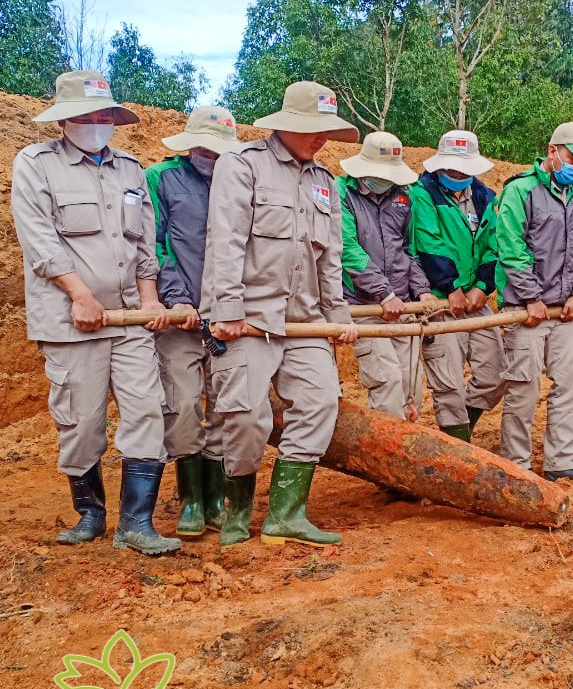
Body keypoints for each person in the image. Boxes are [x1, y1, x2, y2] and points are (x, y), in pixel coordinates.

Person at [10, 70, 181, 555]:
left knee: (147, 409)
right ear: (64, 120)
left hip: (128, 316)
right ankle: (90, 514)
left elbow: (144, 238)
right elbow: (38, 237)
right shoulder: (36, 164)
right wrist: (78, 295)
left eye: (104, 113)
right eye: (87, 114)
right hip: (71, 320)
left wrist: (149, 297)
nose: (97, 122)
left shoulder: (129, 168)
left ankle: (136, 523)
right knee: (81, 422)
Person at [201, 81, 358, 547]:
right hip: (249, 317)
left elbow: (331, 257)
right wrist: (225, 307)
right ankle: (237, 513)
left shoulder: (326, 184)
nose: (321, 138)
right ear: (286, 123)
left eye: (326, 130)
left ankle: (287, 514)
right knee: (246, 418)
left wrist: (338, 316)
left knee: (320, 403)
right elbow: (225, 240)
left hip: (305, 318)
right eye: (313, 128)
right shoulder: (243, 166)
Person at [146, 106, 239, 537]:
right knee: (183, 402)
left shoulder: (239, 179)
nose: (212, 155)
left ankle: (217, 495)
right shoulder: (161, 179)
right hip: (180, 317)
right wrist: (179, 300)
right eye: (206, 147)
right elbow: (155, 244)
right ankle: (191, 499)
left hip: (228, 315)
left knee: (224, 405)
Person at [495, 122, 573, 482]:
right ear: (553, 151)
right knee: (523, 391)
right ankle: (517, 467)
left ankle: (563, 461)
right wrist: (531, 297)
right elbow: (511, 247)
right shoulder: (520, 191)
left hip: (564, 310)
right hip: (524, 310)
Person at [409, 130, 506, 442]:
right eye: (452, 169)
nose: (458, 175)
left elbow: (495, 245)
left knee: (495, 374)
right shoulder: (421, 194)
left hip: (474, 299)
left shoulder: (486, 198)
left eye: (464, 169)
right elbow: (428, 242)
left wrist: (482, 286)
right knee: (447, 382)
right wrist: (450, 287)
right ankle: (459, 446)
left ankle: (459, 431)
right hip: (439, 301)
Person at [336, 131, 435, 418]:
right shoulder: (342, 192)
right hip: (365, 305)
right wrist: (384, 292)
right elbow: (347, 249)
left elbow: (408, 247)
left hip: (402, 304)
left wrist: (421, 288)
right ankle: (386, 455)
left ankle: (404, 453)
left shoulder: (404, 195)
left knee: (410, 389)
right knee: (387, 383)